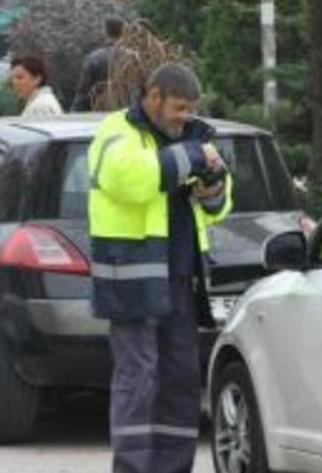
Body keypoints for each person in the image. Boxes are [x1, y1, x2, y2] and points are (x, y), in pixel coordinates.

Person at [88, 63, 232, 473]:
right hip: (132, 280)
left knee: (180, 378)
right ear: (154, 97)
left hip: (181, 280)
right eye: (178, 107)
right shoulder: (117, 131)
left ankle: (173, 467)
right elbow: (130, 179)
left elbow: (222, 199)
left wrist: (213, 189)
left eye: (190, 109)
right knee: (138, 376)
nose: (185, 116)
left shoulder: (194, 135)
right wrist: (192, 156)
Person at [71, 18, 128, 112]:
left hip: (100, 114)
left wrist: (74, 115)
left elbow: (83, 93)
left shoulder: (94, 59)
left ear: (105, 32)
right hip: (128, 114)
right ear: (123, 31)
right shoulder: (134, 58)